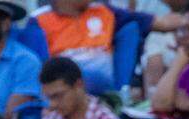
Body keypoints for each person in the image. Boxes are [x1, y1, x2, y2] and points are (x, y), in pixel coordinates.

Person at [28, 0, 180, 94]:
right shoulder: (39, 20)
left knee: (131, 30)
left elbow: (163, 23)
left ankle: (122, 96)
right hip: (64, 89)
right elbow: (37, 69)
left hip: (107, 86)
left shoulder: (104, 11)